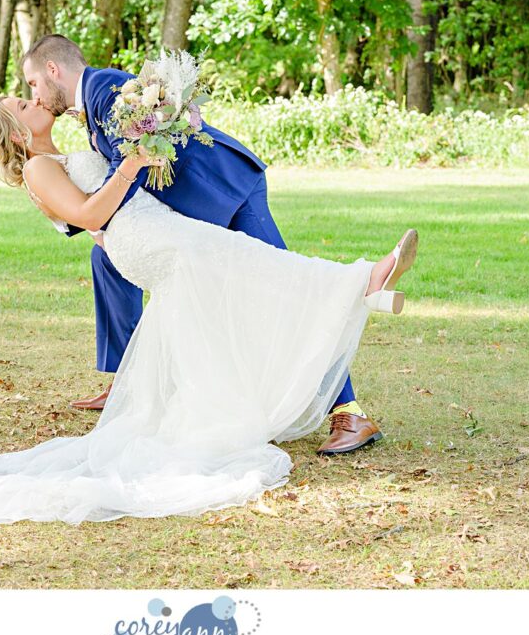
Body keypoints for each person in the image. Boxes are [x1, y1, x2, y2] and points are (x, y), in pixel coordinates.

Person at [0, 95, 417, 529]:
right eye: (21, 104)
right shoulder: (37, 168)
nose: (32, 101)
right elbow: (87, 217)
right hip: (145, 242)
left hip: (156, 228)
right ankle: (364, 279)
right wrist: (130, 164)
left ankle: (358, 287)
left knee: (243, 274)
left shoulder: (64, 151)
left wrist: (149, 141)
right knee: (247, 263)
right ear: (17, 132)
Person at [21, 34, 379, 455]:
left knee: (285, 289)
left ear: (52, 70)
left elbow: (128, 168)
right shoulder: (95, 105)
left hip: (225, 189)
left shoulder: (104, 91)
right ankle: (132, 382)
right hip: (201, 202)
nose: (35, 95)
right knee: (112, 264)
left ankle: (350, 411)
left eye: (32, 84)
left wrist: (101, 218)